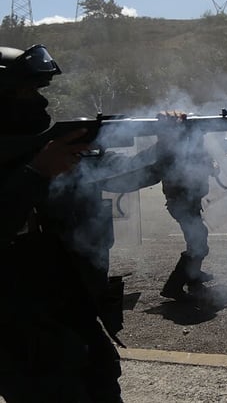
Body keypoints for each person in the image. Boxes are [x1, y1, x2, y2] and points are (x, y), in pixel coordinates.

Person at [0, 44, 161, 401]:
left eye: (39, 91)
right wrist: (36, 173)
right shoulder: (34, 160)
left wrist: (168, 147)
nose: (41, 103)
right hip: (20, 336)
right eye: (27, 92)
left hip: (75, 315)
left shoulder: (41, 151)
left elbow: (121, 176)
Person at [158, 112, 220, 299]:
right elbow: (190, 172)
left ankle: (193, 276)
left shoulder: (189, 147)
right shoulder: (182, 149)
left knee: (197, 239)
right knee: (198, 243)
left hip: (187, 202)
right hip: (182, 203)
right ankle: (173, 287)